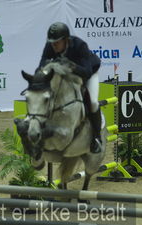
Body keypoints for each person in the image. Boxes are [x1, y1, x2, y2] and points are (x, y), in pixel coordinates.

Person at [37, 22, 102, 153]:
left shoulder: (80, 45)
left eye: (57, 42)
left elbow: (87, 72)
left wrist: (71, 66)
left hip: (87, 74)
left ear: (66, 40)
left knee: (93, 102)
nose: (54, 45)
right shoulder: (50, 45)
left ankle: (96, 137)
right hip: (66, 75)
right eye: (52, 42)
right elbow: (41, 66)